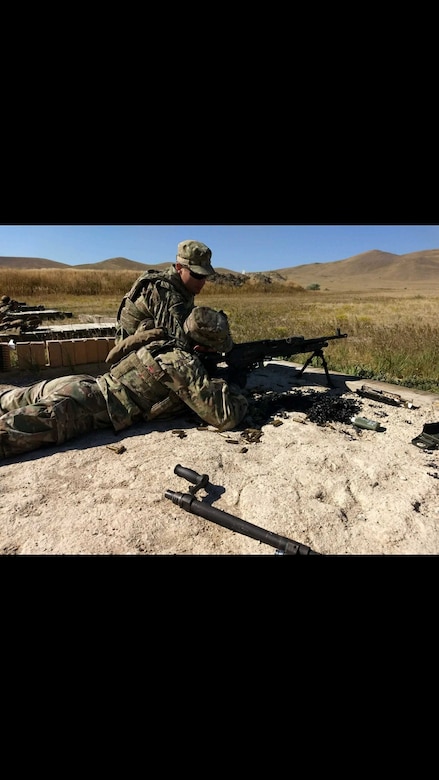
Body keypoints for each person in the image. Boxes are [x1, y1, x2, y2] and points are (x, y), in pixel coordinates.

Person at [0, 307, 248, 461]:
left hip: (82, 384)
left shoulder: (163, 340)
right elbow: (224, 417)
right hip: (83, 407)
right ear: (199, 348)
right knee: (8, 436)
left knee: (9, 400)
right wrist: (234, 385)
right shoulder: (182, 364)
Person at [113, 239, 215, 353]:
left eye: (205, 275)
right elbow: (178, 341)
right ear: (179, 268)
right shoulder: (164, 291)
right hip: (129, 352)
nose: (202, 281)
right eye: (197, 275)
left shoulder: (184, 286)